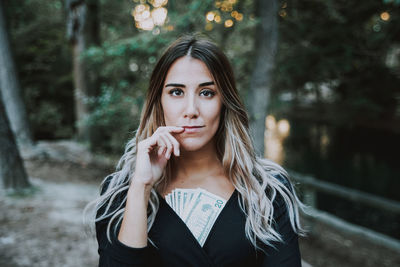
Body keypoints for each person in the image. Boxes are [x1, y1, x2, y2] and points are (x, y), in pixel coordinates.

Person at [88, 33, 306, 267]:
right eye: (176, 92)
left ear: (224, 102)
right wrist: (141, 187)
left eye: (206, 93)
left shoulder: (267, 191)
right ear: (158, 101)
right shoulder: (120, 193)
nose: (191, 110)